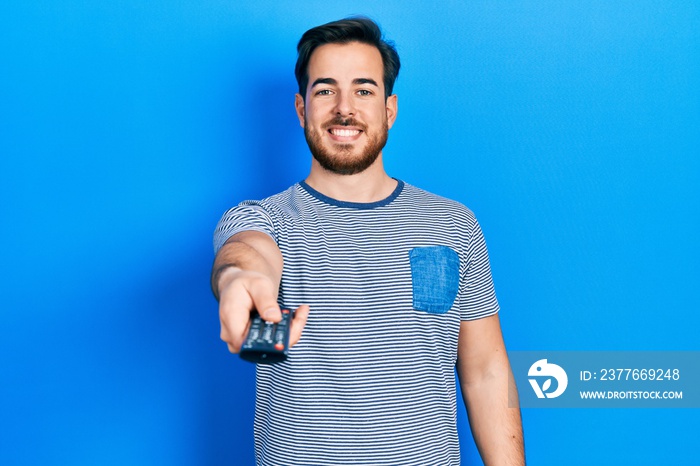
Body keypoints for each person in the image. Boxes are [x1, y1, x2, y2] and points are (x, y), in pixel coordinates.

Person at [211, 17, 525, 466]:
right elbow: (246, 250)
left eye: (363, 90)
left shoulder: (452, 225)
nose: (344, 108)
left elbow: (485, 371)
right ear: (301, 109)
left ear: (389, 109)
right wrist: (240, 276)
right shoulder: (266, 219)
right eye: (325, 90)